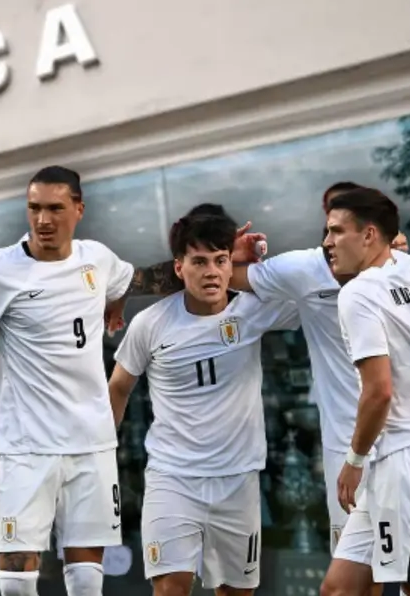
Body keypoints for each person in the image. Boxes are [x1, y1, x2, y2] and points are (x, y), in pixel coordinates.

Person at [0, 165, 253, 596]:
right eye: (34, 208)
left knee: (86, 584)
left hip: (92, 446)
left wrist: (224, 252)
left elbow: (146, 279)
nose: (43, 220)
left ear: (78, 209)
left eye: (55, 208)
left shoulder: (96, 259)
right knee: (16, 587)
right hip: (27, 449)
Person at [124, 183, 409, 596]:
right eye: (330, 225)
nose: (332, 236)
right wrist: (224, 253)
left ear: (370, 231)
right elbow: (209, 277)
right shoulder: (303, 272)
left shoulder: (405, 269)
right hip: (345, 452)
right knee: (354, 585)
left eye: (344, 225)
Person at [107, 208, 300, 596]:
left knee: (235, 592)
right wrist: (101, 455)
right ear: (179, 268)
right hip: (172, 478)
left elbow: (318, 292)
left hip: (238, 480)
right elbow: (118, 388)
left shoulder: (255, 309)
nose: (211, 271)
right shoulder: (151, 323)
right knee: (171, 589)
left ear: (232, 265)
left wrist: (385, 255)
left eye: (220, 260)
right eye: (199, 261)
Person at [319, 188, 410, 596]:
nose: (327, 243)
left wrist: (353, 460)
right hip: (408, 454)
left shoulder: (358, 293)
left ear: (369, 234)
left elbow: (378, 391)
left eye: (335, 231)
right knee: (341, 589)